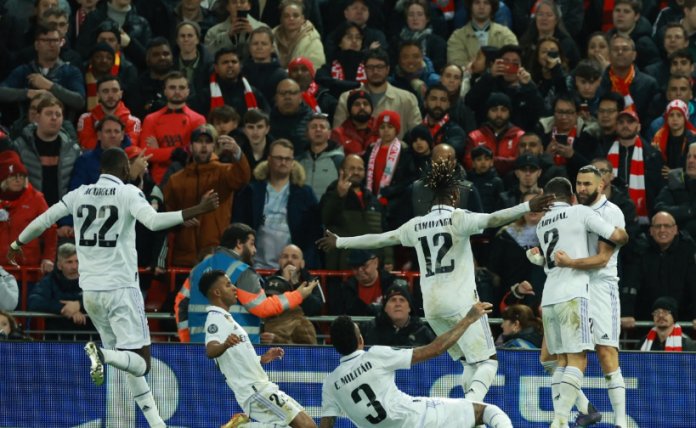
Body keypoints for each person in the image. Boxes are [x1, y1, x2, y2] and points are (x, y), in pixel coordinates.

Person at [6, 147, 221, 428]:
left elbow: (45, 219)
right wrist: (198, 209)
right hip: (121, 289)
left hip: (91, 293)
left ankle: (156, 423)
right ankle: (101, 354)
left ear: (100, 170)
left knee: (127, 361)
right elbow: (154, 221)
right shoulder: (128, 192)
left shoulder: (79, 193)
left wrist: (17, 243)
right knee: (141, 362)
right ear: (125, 170)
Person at [317, 157, 555, 403]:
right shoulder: (459, 218)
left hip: (432, 308)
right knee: (488, 361)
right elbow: (494, 218)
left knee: (468, 362)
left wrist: (340, 242)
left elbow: (379, 239)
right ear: (455, 195)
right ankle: (471, 407)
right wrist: (527, 206)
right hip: (461, 304)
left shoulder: (416, 225)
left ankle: (474, 414)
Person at [530, 177, 628, 428]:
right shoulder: (580, 212)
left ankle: (582, 412)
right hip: (574, 294)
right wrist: (622, 233)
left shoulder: (541, 223)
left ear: (547, 199)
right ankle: (560, 420)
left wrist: (538, 259)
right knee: (576, 360)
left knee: (561, 361)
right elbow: (615, 236)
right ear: (572, 197)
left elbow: (549, 259)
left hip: (549, 297)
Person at [319, 309, 514, 428]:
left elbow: (326, 426)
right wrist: (468, 319)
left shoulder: (330, 384)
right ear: (361, 340)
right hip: (419, 419)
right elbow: (435, 349)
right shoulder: (375, 356)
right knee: (488, 412)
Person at [200, 270, 317, 428]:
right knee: (305, 427)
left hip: (262, 386)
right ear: (217, 292)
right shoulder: (215, 319)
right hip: (254, 391)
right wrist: (225, 344)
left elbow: (237, 358)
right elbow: (210, 350)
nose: (234, 288)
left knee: (309, 425)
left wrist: (261, 359)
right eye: (228, 285)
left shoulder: (227, 319)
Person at [175, 223, 319, 343]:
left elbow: (180, 304)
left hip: (200, 347)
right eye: (251, 244)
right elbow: (262, 307)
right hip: (236, 351)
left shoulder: (197, 269)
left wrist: (187, 340)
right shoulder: (242, 272)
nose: (254, 250)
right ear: (239, 243)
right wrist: (297, 295)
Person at [164, 125, 251, 268]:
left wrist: (237, 152)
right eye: (199, 141)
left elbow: (243, 177)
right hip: (184, 258)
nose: (204, 145)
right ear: (190, 146)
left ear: (214, 146)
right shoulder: (175, 180)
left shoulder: (224, 172)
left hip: (216, 254)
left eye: (208, 141)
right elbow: (165, 212)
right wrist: (179, 219)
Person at [231, 139, 323, 269]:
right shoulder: (251, 191)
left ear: (293, 162)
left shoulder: (305, 194)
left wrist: (305, 264)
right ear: (269, 159)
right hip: (255, 267)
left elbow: (314, 232)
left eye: (288, 159)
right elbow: (238, 227)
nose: (283, 162)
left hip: (292, 269)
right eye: (279, 158)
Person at [621, 211, 696, 330]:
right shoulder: (640, 249)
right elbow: (630, 284)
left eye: (667, 226)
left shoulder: (687, 250)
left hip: (682, 317)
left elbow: (694, 285)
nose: (662, 230)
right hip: (646, 318)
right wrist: (627, 313)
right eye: (657, 226)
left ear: (675, 229)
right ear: (651, 230)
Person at [320, 154, 393, 271]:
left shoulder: (373, 200)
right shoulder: (330, 196)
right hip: (343, 269)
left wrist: (388, 258)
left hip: (371, 268)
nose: (356, 172)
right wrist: (339, 196)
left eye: (360, 169)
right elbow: (327, 219)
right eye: (351, 168)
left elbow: (384, 231)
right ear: (341, 171)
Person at [0, 24, 86, 121]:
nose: (52, 44)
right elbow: (2, 92)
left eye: (56, 40)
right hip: (27, 125)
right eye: (47, 40)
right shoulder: (24, 71)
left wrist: (50, 86)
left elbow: (80, 101)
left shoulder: (71, 71)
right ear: (36, 45)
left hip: (61, 125)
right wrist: (29, 93)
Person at [333, 48, 422, 140]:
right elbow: (337, 137)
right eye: (371, 67)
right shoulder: (347, 98)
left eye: (380, 67)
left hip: (397, 149)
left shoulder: (407, 99)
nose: (375, 71)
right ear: (364, 69)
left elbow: (417, 137)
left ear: (387, 69)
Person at [11, 97, 81, 208]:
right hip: (30, 211)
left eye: (58, 115)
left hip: (62, 212)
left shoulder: (73, 150)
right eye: (48, 114)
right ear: (38, 117)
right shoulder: (20, 147)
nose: (54, 118)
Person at [139, 71, 207, 184]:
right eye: (172, 87)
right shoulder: (151, 119)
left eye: (181, 87)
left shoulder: (198, 120)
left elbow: (196, 153)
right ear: (165, 91)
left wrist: (159, 151)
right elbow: (146, 153)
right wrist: (178, 153)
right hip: (158, 181)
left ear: (188, 91)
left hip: (189, 178)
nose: (177, 91)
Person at [603, 109, 665, 224]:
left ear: (639, 127)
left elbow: (659, 190)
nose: (625, 125)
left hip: (644, 219)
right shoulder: (604, 152)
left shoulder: (652, 155)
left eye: (630, 122)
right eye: (621, 122)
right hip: (609, 218)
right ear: (616, 127)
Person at [463, 44, 544, 131]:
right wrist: (490, 76)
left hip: (521, 136)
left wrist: (529, 86)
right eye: (506, 62)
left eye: (515, 62)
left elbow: (540, 112)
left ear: (521, 66)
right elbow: (470, 102)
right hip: (489, 134)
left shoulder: (527, 87)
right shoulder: (489, 84)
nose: (509, 66)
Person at [0, 150, 57, 274]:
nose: (18, 180)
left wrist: (48, 258)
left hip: (28, 271)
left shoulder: (36, 199)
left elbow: (50, 229)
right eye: (13, 176)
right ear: (3, 179)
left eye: (22, 176)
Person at [488, 189, 544, 312]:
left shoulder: (555, 235)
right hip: (513, 299)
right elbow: (496, 270)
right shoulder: (505, 236)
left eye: (537, 203)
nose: (533, 208)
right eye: (529, 204)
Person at [534, 93, 602, 184]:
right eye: (560, 112)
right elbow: (530, 166)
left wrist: (572, 155)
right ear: (553, 112)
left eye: (569, 113)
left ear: (577, 114)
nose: (564, 117)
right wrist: (546, 156)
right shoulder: (541, 131)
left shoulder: (588, 134)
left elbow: (595, 169)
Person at [27, 243, 93, 334]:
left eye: (77, 261)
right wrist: (64, 309)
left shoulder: (91, 279)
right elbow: (34, 302)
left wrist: (80, 304)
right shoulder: (49, 281)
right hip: (57, 337)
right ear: (59, 265)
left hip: (91, 337)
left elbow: (104, 299)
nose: (75, 267)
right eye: (69, 262)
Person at [596, 35, 660, 124]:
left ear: (634, 55)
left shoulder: (648, 84)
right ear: (609, 55)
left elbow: (652, 117)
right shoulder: (598, 82)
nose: (620, 52)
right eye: (615, 49)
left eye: (625, 49)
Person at [75, 0, 152, 73]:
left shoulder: (141, 23)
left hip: (130, 77)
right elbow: (81, 51)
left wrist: (130, 44)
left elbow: (149, 60)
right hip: (95, 75)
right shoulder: (93, 18)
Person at [195, 47, 270, 118]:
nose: (230, 65)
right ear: (216, 68)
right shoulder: (206, 94)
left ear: (240, 66)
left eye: (234, 62)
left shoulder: (253, 92)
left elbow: (267, 116)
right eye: (225, 62)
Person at [328, 249, 407, 316]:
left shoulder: (393, 283)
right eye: (355, 267)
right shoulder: (345, 288)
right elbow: (337, 316)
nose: (360, 270)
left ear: (375, 262)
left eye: (364, 266)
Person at [463, 92, 523, 177]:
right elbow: (469, 163)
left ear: (509, 113)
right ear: (487, 112)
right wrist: (506, 163)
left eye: (503, 110)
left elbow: (520, 163)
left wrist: (487, 162)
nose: (499, 114)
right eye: (494, 110)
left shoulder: (520, 136)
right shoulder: (474, 136)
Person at [446, 0, 518, 68]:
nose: (481, 7)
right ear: (470, 6)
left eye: (486, 3)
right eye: (477, 2)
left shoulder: (506, 35)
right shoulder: (457, 36)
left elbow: (513, 62)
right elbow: (456, 65)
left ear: (492, 7)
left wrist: (474, 63)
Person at [77, 75, 141, 150]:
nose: (110, 95)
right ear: (98, 95)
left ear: (121, 94)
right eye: (105, 91)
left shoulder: (133, 121)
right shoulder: (86, 118)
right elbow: (87, 146)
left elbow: (130, 149)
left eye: (115, 91)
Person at [360, 284, 436, 347]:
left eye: (402, 300)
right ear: (384, 308)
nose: (398, 304)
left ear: (409, 308)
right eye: (393, 300)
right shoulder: (368, 329)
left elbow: (436, 359)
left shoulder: (423, 332)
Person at [387, 0, 447, 73]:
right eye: (411, 14)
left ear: (427, 18)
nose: (415, 18)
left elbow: (439, 66)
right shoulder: (395, 42)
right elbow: (392, 66)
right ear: (406, 18)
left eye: (420, 14)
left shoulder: (438, 43)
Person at [517, 0, 580, 69]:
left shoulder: (567, 44)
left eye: (549, 15)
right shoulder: (526, 42)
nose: (544, 18)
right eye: (540, 14)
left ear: (556, 20)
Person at [296, 113, 344, 200]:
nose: (318, 130)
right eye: (313, 127)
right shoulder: (299, 161)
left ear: (329, 133)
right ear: (306, 133)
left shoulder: (339, 160)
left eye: (322, 127)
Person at [315, 21, 366, 99]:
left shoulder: (368, 65)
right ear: (339, 42)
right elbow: (320, 79)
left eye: (358, 37)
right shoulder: (330, 66)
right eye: (349, 37)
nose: (354, 41)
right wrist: (358, 85)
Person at [606, 0, 660, 71]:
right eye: (617, 10)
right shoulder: (607, 39)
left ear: (636, 16)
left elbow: (654, 72)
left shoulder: (645, 45)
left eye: (626, 11)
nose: (620, 15)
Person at [272, 0, 325, 69]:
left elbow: (315, 68)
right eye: (286, 16)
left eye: (296, 15)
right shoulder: (271, 37)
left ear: (302, 18)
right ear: (281, 19)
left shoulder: (313, 41)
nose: (291, 19)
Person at [241, 27, 288, 105]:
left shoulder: (282, 75)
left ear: (272, 48)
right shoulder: (241, 73)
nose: (259, 47)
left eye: (264, 44)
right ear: (250, 48)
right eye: (255, 44)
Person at [421, 84, 466, 159]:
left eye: (443, 100)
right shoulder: (417, 129)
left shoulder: (456, 132)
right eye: (433, 99)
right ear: (425, 103)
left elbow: (445, 156)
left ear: (448, 104)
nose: (438, 104)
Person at [651, 99, 696, 173]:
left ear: (685, 118)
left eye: (679, 115)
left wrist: (673, 174)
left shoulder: (693, 139)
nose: (675, 119)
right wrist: (657, 155)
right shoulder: (659, 139)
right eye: (671, 115)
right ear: (667, 119)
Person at [172, 20, 214, 98]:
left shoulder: (210, 66)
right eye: (182, 36)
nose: (186, 39)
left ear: (197, 39)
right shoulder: (169, 65)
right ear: (177, 40)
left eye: (190, 35)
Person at [329, 89, 377, 156]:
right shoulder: (338, 134)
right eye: (357, 104)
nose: (362, 107)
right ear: (349, 109)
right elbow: (337, 160)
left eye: (365, 104)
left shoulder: (382, 130)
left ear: (371, 108)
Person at [288, 57, 338, 121]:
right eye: (295, 70)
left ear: (312, 74)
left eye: (304, 69)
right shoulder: (283, 99)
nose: (299, 73)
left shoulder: (327, 100)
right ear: (289, 76)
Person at [645, 23, 690, 91]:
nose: (672, 40)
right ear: (663, 42)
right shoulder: (651, 73)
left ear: (686, 43)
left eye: (677, 37)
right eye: (668, 37)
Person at [139, 38, 175, 117]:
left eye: (166, 54)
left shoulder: (182, 82)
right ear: (148, 60)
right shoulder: (138, 84)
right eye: (156, 55)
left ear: (172, 57)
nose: (162, 57)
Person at [467, 146, 505, 214]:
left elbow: (500, 207)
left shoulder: (497, 182)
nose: (483, 162)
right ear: (473, 163)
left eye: (486, 159)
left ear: (492, 162)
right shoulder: (467, 180)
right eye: (479, 159)